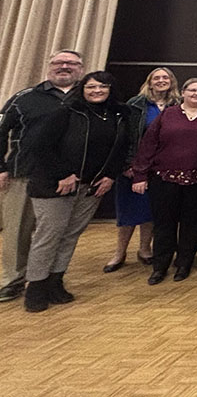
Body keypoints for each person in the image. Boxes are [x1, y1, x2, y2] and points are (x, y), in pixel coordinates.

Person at [22, 71, 128, 312]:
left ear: (111, 89)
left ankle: (55, 282)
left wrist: (110, 175)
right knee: (48, 235)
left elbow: (120, 149)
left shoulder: (117, 115)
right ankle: (36, 288)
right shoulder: (65, 113)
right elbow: (39, 146)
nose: (97, 91)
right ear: (83, 89)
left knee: (71, 234)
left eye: (103, 86)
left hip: (92, 186)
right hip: (55, 185)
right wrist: (62, 174)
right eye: (91, 87)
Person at [0, 50, 82, 302]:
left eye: (71, 63)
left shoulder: (88, 97)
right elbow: (1, 133)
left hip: (68, 177)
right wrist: (1, 168)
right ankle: (12, 279)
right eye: (59, 62)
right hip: (24, 173)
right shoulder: (25, 97)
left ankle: (46, 278)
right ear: (49, 66)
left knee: (55, 233)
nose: (64, 67)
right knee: (17, 231)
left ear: (81, 68)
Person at [131, 78, 197, 285]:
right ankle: (160, 266)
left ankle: (184, 263)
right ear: (184, 93)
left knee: (192, 223)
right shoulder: (168, 115)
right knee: (164, 224)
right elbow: (148, 144)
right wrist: (140, 174)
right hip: (164, 179)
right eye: (192, 90)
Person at [106, 67, 180, 273]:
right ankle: (119, 253)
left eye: (166, 77)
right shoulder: (136, 105)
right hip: (135, 166)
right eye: (157, 78)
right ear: (149, 82)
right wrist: (129, 164)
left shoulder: (178, 105)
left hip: (161, 168)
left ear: (172, 82)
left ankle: (145, 249)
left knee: (151, 210)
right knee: (128, 211)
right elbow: (126, 137)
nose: (161, 81)